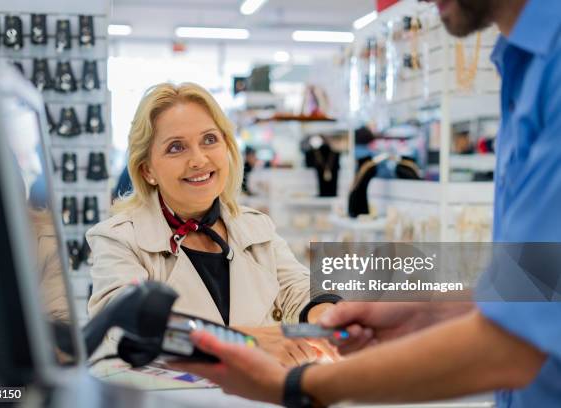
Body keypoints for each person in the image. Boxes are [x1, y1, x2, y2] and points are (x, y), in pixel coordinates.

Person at [171, 0, 561, 407]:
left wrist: (300, 386)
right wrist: (433, 312)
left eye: (209, 140)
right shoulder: (526, 63)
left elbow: (514, 343)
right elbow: (541, 285)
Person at [86, 82, 340, 365]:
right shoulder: (118, 240)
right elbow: (127, 328)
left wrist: (326, 317)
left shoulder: (254, 227)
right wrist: (245, 342)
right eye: (176, 147)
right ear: (148, 170)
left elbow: (297, 287)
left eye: (209, 140)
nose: (198, 159)